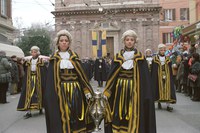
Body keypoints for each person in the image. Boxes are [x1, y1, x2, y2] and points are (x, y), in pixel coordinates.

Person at [103, 30, 156, 133]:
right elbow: (112, 77)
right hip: (120, 90)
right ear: (124, 41)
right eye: (127, 40)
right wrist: (107, 91)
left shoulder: (140, 58)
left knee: (133, 111)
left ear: (135, 41)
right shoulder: (118, 57)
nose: (129, 42)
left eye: (132, 40)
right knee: (120, 111)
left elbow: (145, 78)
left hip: (135, 90)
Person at [44, 30, 94, 133]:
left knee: (76, 113)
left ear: (69, 43)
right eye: (61, 40)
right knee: (63, 114)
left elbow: (82, 77)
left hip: (76, 91)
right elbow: (50, 81)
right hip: (60, 92)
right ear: (57, 42)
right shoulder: (54, 59)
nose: (64, 42)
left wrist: (86, 90)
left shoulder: (74, 57)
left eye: (66, 40)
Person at [17, 46, 46, 119]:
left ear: (38, 53)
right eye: (32, 52)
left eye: (35, 52)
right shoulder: (28, 62)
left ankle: (40, 108)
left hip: (39, 81)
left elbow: (44, 72)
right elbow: (25, 70)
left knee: (40, 93)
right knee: (29, 95)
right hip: (30, 81)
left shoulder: (41, 62)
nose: (33, 53)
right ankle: (28, 111)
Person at [151, 44, 176, 112]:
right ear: (159, 50)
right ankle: (158, 102)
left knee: (168, 90)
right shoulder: (155, 59)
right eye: (161, 50)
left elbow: (170, 69)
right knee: (157, 88)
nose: (163, 51)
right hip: (158, 77)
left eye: (164, 50)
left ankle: (168, 105)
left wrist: (171, 77)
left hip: (167, 76)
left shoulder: (168, 59)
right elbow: (153, 70)